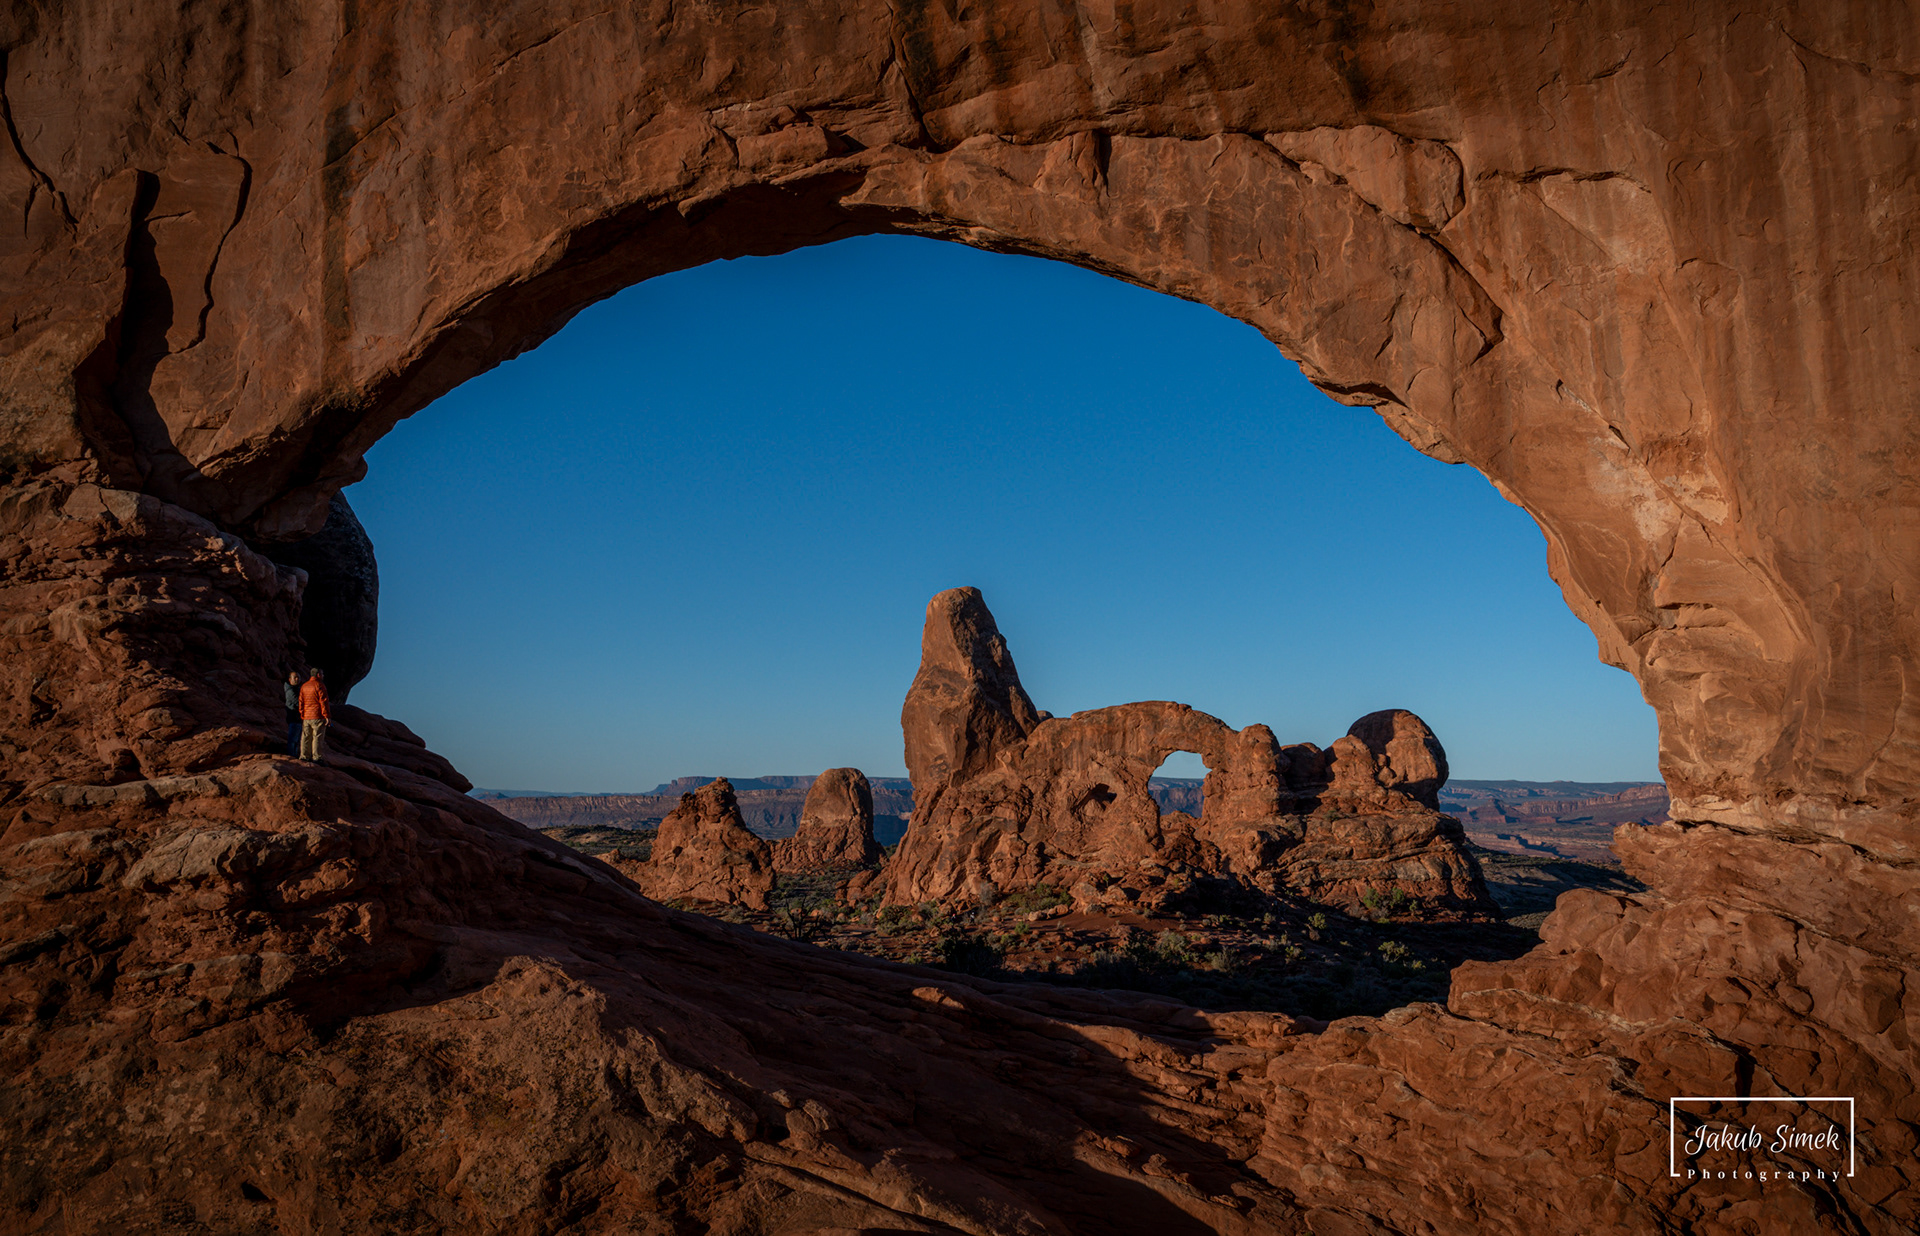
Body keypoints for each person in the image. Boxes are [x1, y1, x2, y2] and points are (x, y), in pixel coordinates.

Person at [298, 668, 331, 761]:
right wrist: (327, 716)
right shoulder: (320, 685)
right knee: (317, 737)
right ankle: (316, 757)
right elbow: (323, 702)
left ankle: (304, 756)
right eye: (322, 674)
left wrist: (302, 713)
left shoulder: (304, 686)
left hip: (306, 716)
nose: (323, 676)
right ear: (318, 675)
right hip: (317, 715)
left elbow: (301, 702)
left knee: (305, 736)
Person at [283, 670, 302, 757]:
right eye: (295, 677)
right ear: (290, 679)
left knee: (297, 739)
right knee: (293, 739)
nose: (297, 679)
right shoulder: (290, 691)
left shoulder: (296, 689)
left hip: (298, 718)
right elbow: (297, 702)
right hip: (294, 718)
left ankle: (294, 755)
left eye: (298, 677)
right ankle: (291, 756)